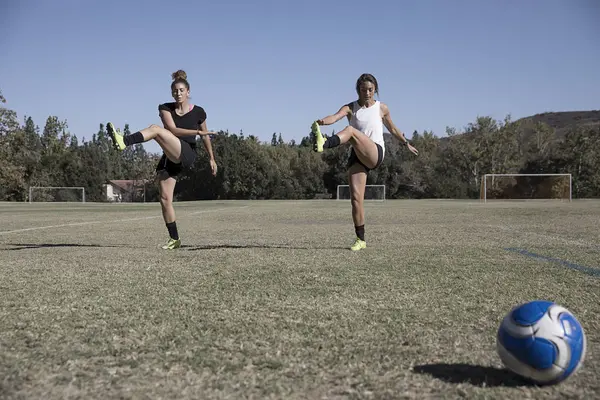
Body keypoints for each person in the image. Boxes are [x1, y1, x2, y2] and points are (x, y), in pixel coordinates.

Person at [106, 69, 218, 250]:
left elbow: (205, 137)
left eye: (182, 90)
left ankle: (124, 141)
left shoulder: (199, 112)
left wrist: (212, 159)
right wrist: (198, 132)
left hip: (187, 153)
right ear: (172, 93)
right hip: (171, 156)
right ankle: (174, 239)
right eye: (175, 91)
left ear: (188, 92)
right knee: (165, 199)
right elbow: (172, 130)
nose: (178, 93)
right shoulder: (165, 108)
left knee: (155, 129)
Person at [311, 73, 419, 251]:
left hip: (375, 152)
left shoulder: (381, 108)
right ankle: (360, 239)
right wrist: (321, 122)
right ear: (358, 90)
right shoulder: (350, 107)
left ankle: (325, 143)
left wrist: (406, 143)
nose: (367, 93)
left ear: (375, 90)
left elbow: (392, 128)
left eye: (370, 90)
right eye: (363, 90)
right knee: (355, 199)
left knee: (351, 131)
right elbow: (335, 116)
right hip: (358, 155)